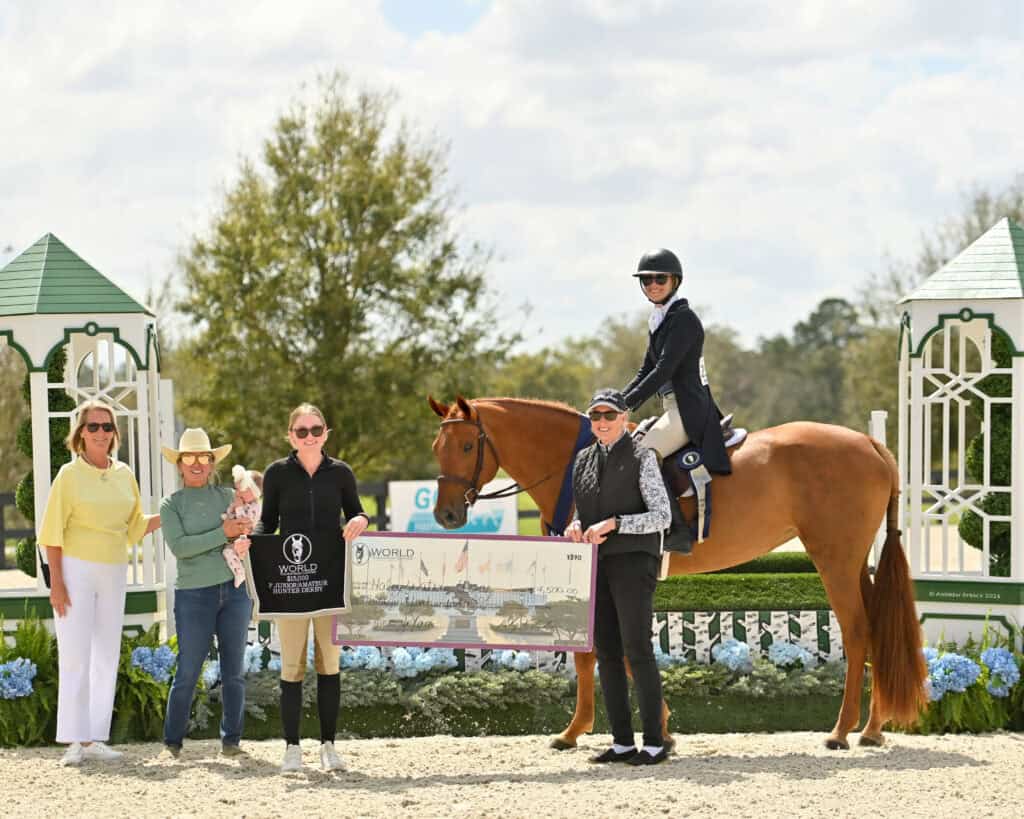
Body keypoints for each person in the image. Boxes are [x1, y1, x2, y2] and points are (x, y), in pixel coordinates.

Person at [38, 399, 161, 766]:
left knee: (106, 654)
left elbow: (136, 525)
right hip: (74, 569)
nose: (101, 433)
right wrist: (56, 583)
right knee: (75, 653)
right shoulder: (68, 476)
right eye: (93, 427)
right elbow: (50, 535)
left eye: (107, 427)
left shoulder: (124, 474)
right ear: (80, 434)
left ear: (114, 434)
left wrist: (173, 510)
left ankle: (94, 739)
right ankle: (74, 740)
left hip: (113, 569)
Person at [257, 403, 369, 773]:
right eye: (301, 431)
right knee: (290, 667)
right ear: (290, 435)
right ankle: (291, 747)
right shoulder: (276, 474)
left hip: (330, 582)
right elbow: (265, 524)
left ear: (326, 433)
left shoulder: (340, 473)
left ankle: (329, 746)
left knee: (329, 664)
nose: (309, 437)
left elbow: (358, 510)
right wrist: (248, 543)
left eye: (315, 430)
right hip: (290, 584)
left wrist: (359, 520)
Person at [567, 388, 672, 766]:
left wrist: (617, 523)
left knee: (637, 650)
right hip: (597, 564)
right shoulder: (582, 460)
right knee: (608, 653)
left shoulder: (643, 457)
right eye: (595, 416)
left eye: (609, 415)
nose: (602, 422)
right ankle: (623, 742)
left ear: (625, 419)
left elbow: (662, 516)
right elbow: (582, 512)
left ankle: (656, 743)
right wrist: (576, 527)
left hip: (633, 562)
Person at [160, 428, 253, 759]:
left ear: (213, 462)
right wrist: (223, 533)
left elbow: (244, 529)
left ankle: (232, 742)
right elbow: (182, 548)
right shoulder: (170, 505)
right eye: (190, 458)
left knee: (234, 672)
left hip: (235, 592)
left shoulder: (230, 496)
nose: (197, 464)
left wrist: (241, 538)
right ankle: (172, 742)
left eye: (204, 457)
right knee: (187, 671)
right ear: (180, 464)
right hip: (193, 597)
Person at [621, 248, 730, 475]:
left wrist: (624, 405)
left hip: (688, 411)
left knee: (637, 461)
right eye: (646, 279)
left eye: (660, 278)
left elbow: (663, 370)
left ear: (675, 281)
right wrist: (612, 401)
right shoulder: (660, 320)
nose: (653, 284)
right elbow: (645, 371)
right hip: (672, 409)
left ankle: (663, 512)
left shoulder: (684, 320)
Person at [221, 465, 263, 588]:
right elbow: (232, 515)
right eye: (237, 489)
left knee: (228, 552)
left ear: (253, 491)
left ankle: (240, 573)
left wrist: (238, 507)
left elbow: (245, 522)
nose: (238, 493)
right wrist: (230, 511)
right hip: (235, 536)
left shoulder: (256, 506)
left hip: (245, 540)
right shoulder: (244, 502)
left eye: (241, 490)